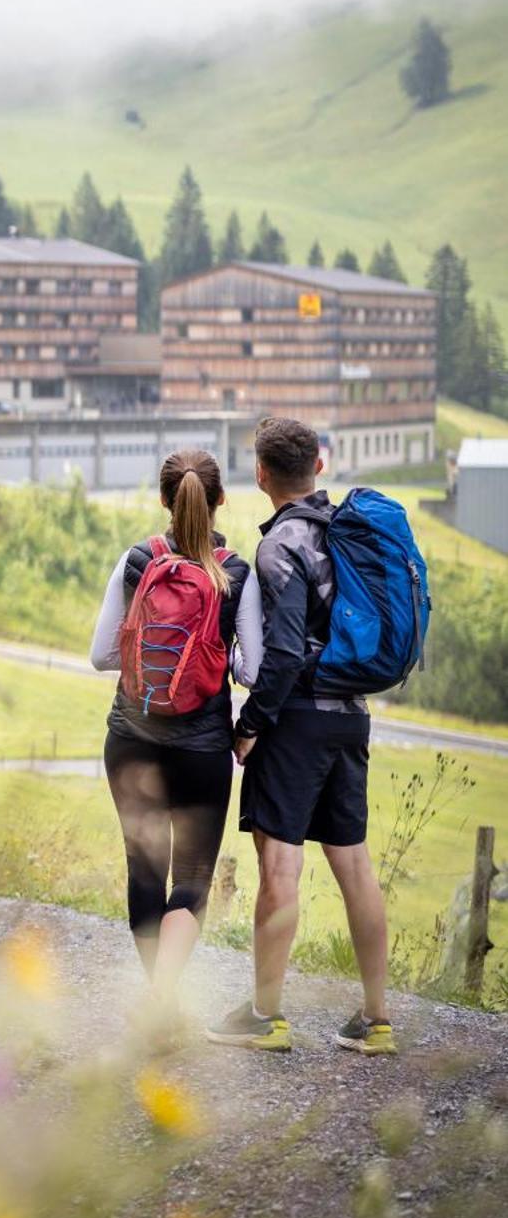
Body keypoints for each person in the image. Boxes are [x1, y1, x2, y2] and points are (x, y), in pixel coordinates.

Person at [206, 416, 396, 1056]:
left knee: (280, 865)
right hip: (352, 716)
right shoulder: (349, 534)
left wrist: (249, 725)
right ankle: (376, 1020)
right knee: (355, 865)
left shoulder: (280, 545)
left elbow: (284, 653)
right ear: (319, 463)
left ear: (261, 474)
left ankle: (264, 1015)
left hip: (298, 721)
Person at [90, 450, 262, 1013]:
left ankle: (156, 1001)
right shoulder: (235, 572)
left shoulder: (138, 560)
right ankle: (165, 996)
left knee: (144, 869)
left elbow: (100, 655)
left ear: (165, 499)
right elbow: (252, 671)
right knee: (191, 877)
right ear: (219, 501)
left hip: (130, 739)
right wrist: (215, 658)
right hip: (201, 746)